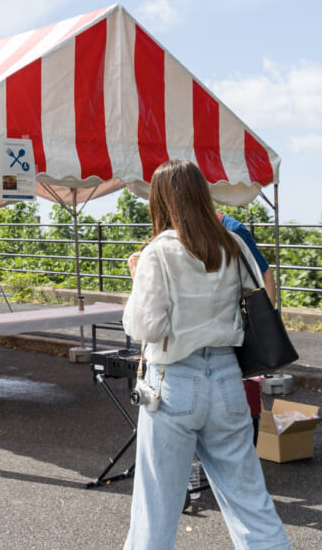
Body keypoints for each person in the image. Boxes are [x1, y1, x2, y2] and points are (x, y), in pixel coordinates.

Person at [122, 159, 289, 549]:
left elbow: (146, 327)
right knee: (250, 502)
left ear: (159, 199)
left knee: (156, 508)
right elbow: (261, 295)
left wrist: (136, 282)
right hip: (228, 379)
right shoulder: (230, 245)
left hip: (172, 382)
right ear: (201, 193)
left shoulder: (158, 251)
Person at [219, 213, 275, 445]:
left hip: (241, 324)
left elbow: (264, 274)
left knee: (246, 385)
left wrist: (265, 324)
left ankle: (249, 444)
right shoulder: (180, 230)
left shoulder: (231, 228)